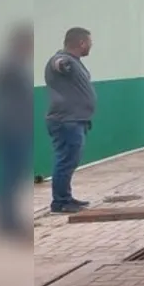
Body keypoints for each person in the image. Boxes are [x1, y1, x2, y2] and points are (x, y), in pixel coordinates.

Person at [0, 23, 34, 237]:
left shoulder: (13, 66)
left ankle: (7, 218)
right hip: (11, 128)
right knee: (9, 174)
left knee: (13, 174)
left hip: (14, 127)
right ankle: (6, 220)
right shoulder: (10, 66)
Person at [44, 27, 96, 214]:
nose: (91, 46)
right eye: (90, 42)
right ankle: (60, 203)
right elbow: (58, 63)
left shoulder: (76, 62)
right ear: (81, 43)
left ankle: (66, 197)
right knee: (65, 160)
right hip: (66, 121)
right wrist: (63, 64)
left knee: (70, 160)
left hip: (76, 120)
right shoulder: (62, 59)